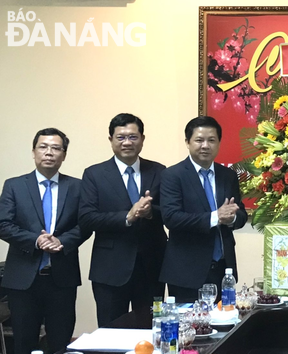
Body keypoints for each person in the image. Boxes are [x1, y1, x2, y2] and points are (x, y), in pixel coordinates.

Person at [0, 128, 90, 354]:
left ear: (64, 155)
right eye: (43, 147)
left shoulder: (77, 187)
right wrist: (35, 240)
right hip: (23, 282)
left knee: (60, 346)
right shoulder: (15, 186)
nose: (49, 152)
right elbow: (3, 224)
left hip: (60, 279)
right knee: (24, 345)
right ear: (33, 151)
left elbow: (85, 225)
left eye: (56, 148)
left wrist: (62, 241)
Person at [79, 113, 167, 328]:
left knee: (151, 329)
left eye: (133, 137)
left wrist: (150, 213)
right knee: (110, 331)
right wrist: (127, 217)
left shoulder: (160, 171)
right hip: (110, 269)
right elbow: (87, 217)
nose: (127, 142)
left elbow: (172, 212)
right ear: (111, 140)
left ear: (142, 139)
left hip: (151, 266)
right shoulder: (94, 174)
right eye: (120, 137)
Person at [159, 116, 247, 302]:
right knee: (190, 327)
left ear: (219, 143)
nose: (205, 145)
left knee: (225, 325)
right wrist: (216, 217)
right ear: (188, 142)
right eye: (199, 140)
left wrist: (231, 218)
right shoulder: (172, 175)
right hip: (186, 272)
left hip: (224, 269)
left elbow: (241, 215)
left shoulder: (228, 175)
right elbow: (171, 218)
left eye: (211, 140)